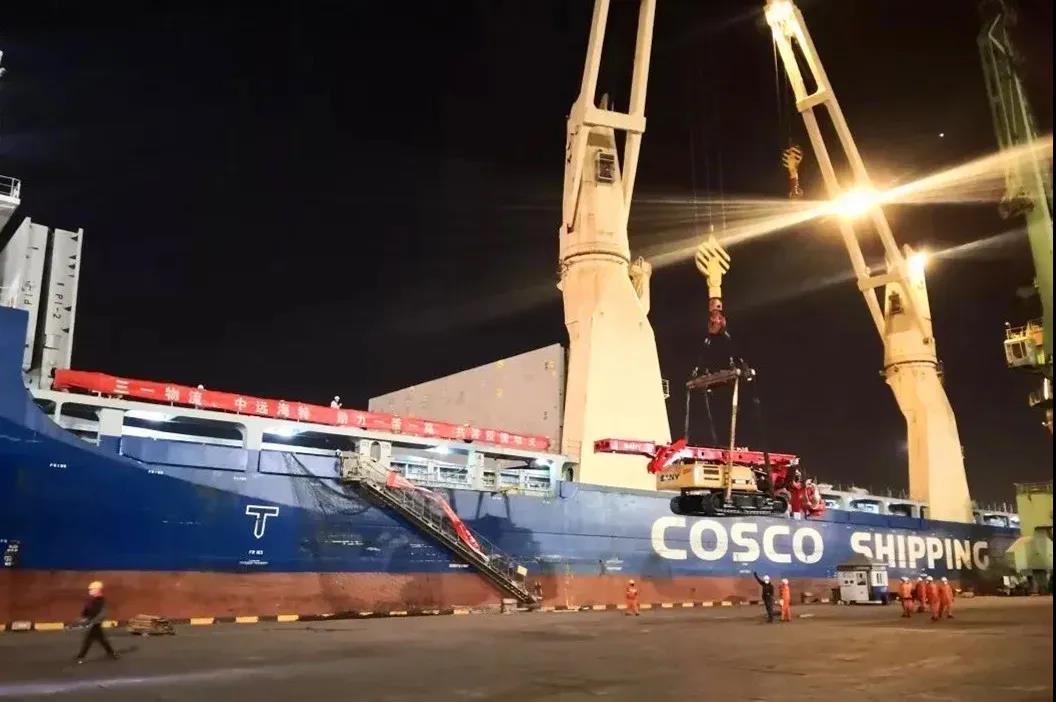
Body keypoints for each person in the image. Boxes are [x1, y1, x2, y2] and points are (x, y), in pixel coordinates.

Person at [75, 581, 118, 664]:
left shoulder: (101, 600)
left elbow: (101, 613)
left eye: (91, 589)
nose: (90, 591)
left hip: (95, 622)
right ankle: (111, 653)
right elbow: (87, 610)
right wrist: (84, 617)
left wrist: (90, 620)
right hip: (93, 623)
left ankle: (81, 657)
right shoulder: (91, 600)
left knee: (89, 640)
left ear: (97, 590)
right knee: (101, 639)